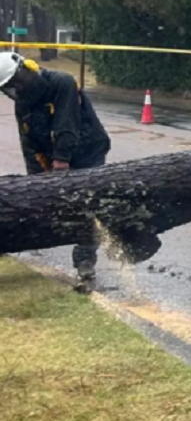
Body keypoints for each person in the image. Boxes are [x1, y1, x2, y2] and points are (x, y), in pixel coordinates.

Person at [0, 52, 112, 289]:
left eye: (16, 83)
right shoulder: (23, 103)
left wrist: (61, 162)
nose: (15, 90)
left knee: (88, 205)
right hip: (53, 156)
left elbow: (66, 125)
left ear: (26, 70)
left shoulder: (62, 83)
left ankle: (85, 263)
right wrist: (35, 181)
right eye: (8, 88)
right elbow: (29, 143)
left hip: (88, 151)